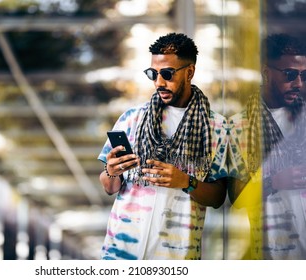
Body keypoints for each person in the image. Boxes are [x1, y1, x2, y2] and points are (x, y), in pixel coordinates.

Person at [97, 32, 228, 260]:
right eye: (153, 74)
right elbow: (109, 187)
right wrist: (111, 171)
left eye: (167, 74)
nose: (159, 82)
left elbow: (218, 197)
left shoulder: (216, 127)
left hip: (175, 257)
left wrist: (185, 181)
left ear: (189, 72)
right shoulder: (131, 119)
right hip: (120, 252)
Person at [228, 33, 306, 259]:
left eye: (303, 75)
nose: (298, 84)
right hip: (269, 252)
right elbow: (236, 199)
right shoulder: (238, 127)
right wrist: (274, 182)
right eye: (290, 75)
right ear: (265, 72)